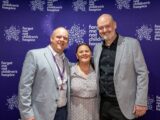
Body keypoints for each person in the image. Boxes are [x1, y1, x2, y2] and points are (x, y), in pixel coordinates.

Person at [93, 14, 149, 120]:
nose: (104, 30)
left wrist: (141, 102)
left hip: (124, 107)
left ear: (114, 25)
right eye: (101, 28)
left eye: (107, 26)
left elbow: (142, 73)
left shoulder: (132, 44)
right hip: (103, 105)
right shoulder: (97, 49)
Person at [18, 27, 70, 120]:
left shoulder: (66, 61)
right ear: (51, 38)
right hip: (41, 113)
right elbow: (25, 87)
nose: (62, 39)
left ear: (67, 43)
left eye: (65, 38)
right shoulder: (34, 55)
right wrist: (27, 114)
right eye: (59, 37)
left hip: (63, 112)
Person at [70, 43, 99, 120]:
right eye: (81, 52)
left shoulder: (98, 72)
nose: (84, 53)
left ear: (91, 54)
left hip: (94, 113)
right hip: (75, 113)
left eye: (87, 51)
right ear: (76, 55)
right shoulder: (70, 71)